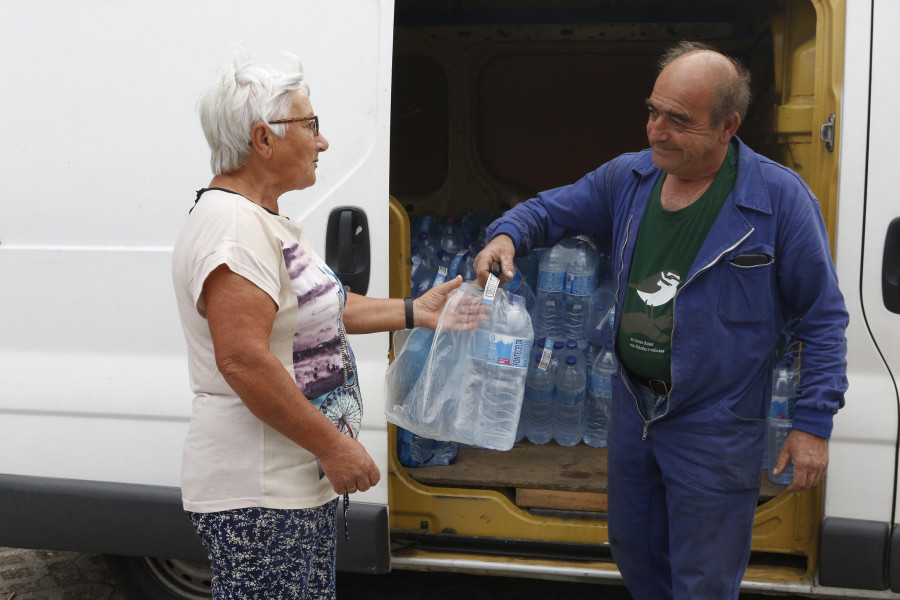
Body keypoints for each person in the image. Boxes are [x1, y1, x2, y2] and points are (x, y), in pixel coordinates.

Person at [473, 41, 848, 600]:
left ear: (727, 127)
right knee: (638, 561)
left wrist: (812, 424)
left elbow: (823, 318)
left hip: (715, 429)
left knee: (703, 583)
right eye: (653, 110)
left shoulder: (778, 200)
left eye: (679, 120)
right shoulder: (630, 179)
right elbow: (547, 209)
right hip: (634, 416)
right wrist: (506, 235)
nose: (656, 131)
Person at [172, 55, 464, 599]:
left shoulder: (261, 219)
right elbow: (242, 359)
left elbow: (321, 307)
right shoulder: (233, 230)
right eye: (310, 126)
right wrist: (333, 446)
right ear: (263, 139)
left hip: (287, 486)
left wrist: (415, 310)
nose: (322, 142)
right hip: (260, 489)